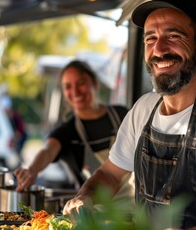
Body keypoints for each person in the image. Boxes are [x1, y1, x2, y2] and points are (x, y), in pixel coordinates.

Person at [62, 0, 196, 229]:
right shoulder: (143, 109)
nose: (159, 50)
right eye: (150, 38)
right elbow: (111, 174)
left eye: (173, 36)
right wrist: (85, 196)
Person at [14, 60, 133, 200]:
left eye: (81, 83)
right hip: (95, 213)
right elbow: (47, 151)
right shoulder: (67, 131)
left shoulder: (122, 115)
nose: (75, 91)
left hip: (136, 206)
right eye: (68, 86)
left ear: (95, 83)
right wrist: (32, 170)